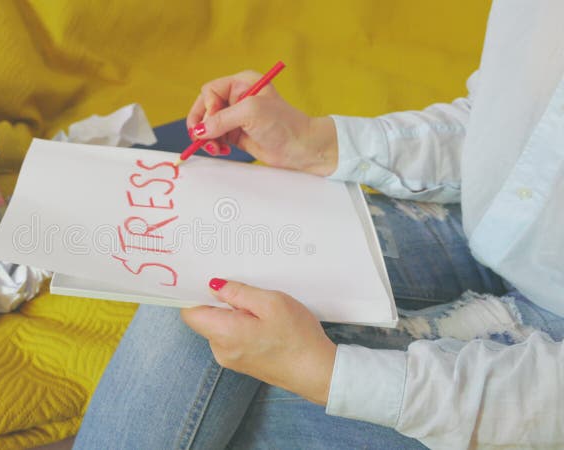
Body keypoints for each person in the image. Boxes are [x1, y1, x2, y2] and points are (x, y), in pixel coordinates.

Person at [73, 1, 564, 448]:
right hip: (482, 226)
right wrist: (316, 143)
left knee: (238, 407)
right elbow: (506, 121)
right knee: (211, 285)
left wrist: (326, 374)